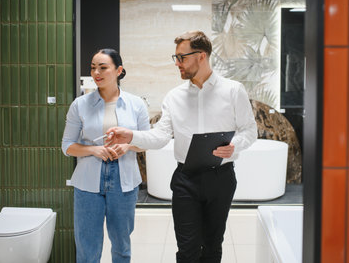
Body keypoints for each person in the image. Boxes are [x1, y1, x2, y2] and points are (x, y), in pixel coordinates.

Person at [105, 31, 257, 263]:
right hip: (186, 180)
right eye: (175, 57)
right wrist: (130, 136)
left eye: (182, 57)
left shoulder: (233, 90)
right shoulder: (174, 97)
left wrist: (235, 146)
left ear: (201, 56)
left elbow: (249, 130)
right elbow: (160, 137)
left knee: (213, 246)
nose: (177, 63)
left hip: (221, 179)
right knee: (187, 249)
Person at [61, 48, 149, 263]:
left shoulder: (136, 104)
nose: (96, 73)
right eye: (93, 67)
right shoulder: (80, 105)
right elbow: (67, 146)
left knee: (121, 243)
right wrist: (93, 149)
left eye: (103, 67)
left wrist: (127, 146)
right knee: (87, 245)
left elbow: (146, 141)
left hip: (124, 181)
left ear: (119, 70)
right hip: (87, 182)